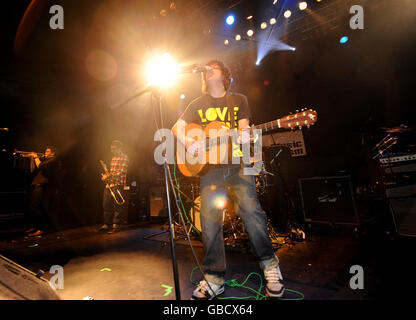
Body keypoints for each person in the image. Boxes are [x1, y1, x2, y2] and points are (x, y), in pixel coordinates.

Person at [172, 60, 284, 299]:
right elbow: (176, 127)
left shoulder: (239, 100)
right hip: (209, 170)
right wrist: (190, 143)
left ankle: (270, 266)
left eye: (213, 66)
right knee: (209, 221)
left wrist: (241, 136)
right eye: (206, 68)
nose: (208, 69)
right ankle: (214, 278)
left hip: (237, 165)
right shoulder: (196, 103)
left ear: (224, 74)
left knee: (252, 213)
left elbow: (244, 133)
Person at [26, 146, 60, 237]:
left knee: (39, 207)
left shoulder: (53, 160)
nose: (45, 152)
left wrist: (36, 157)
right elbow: (33, 169)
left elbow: (40, 166)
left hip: (43, 185)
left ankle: (42, 228)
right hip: (36, 184)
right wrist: (32, 159)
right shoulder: (45, 160)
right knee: (32, 207)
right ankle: (35, 226)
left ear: (52, 153)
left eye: (47, 151)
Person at [98, 140, 129, 234]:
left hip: (118, 184)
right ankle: (106, 224)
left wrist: (108, 176)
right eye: (111, 149)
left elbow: (121, 172)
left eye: (114, 149)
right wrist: (106, 177)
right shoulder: (113, 158)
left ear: (119, 148)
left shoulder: (125, 157)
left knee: (117, 206)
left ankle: (116, 225)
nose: (112, 151)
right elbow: (112, 172)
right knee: (106, 205)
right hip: (110, 185)